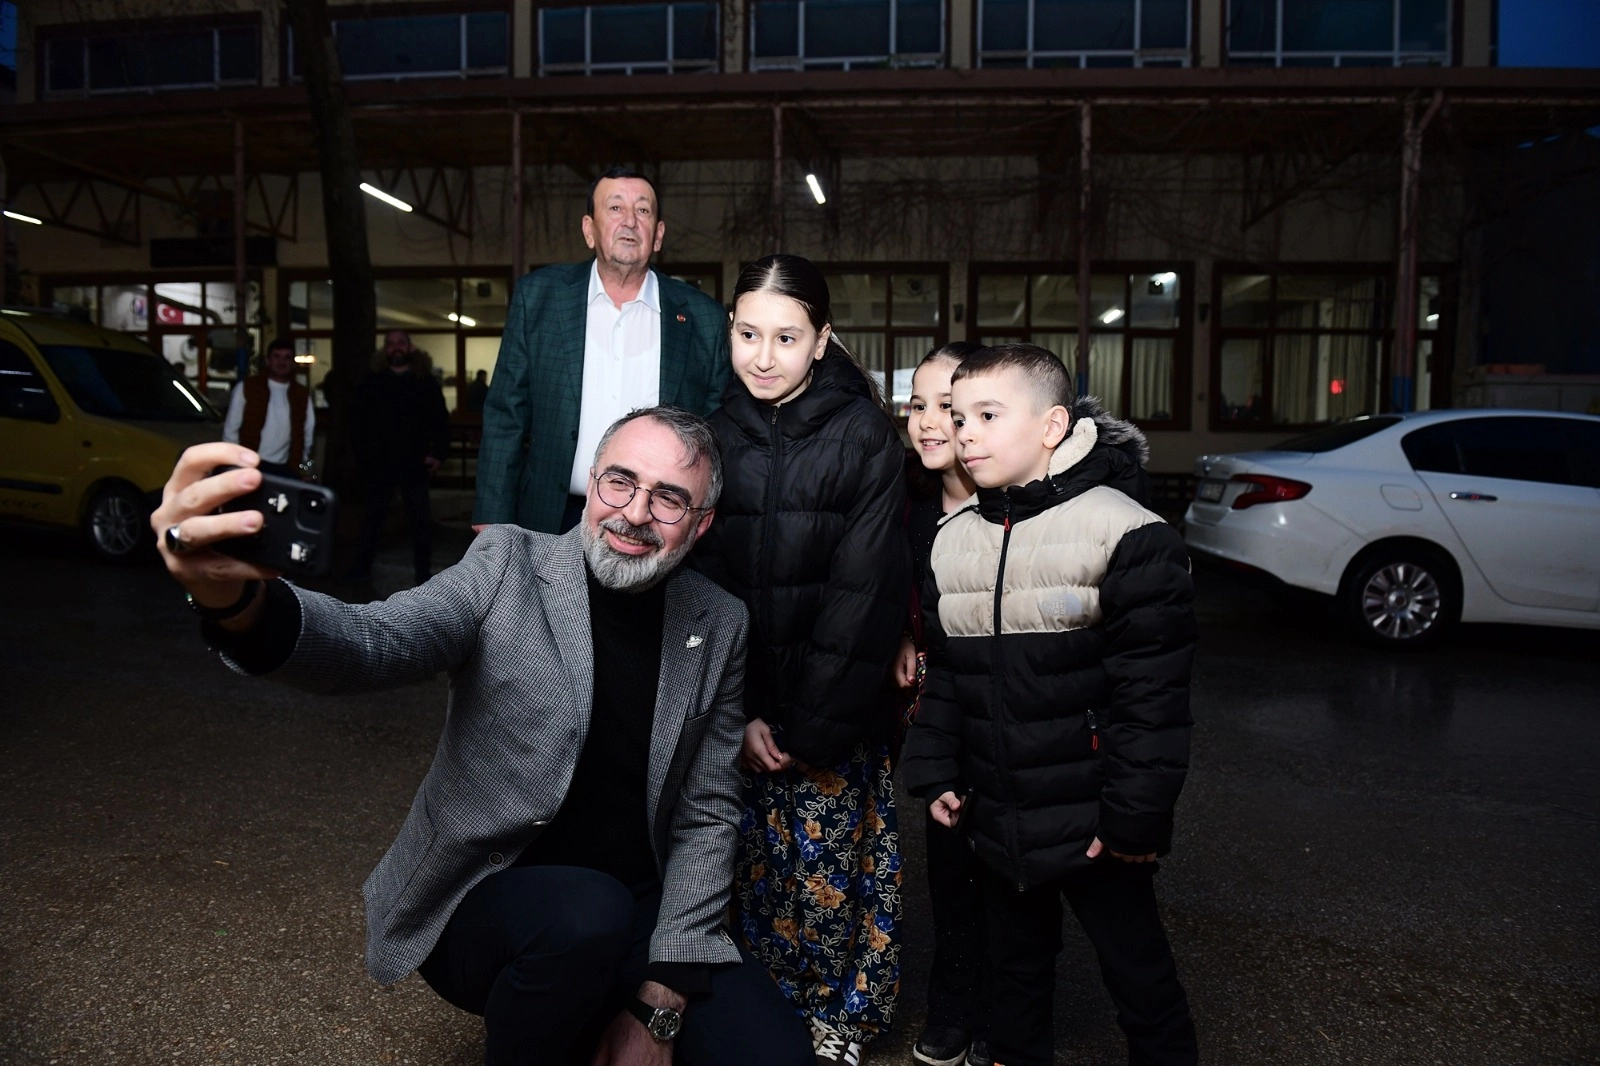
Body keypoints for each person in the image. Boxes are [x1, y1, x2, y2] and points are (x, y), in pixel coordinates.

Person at [148, 407, 814, 1066]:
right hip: (489, 898)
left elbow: (707, 812)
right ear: (591, 483)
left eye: (669, 499)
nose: (635, 512)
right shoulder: (508, 564)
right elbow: (376, 641)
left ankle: (589, 1008)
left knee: (775, 1056)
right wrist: (240, 607)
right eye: (620, 482)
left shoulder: (717, 622)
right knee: (587, 917)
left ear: (700, 525)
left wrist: (658, 1004)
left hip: (637, 906)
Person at [901, 344, 1198, 1066]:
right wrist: (938, 772)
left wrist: (1133, 819)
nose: (964, 433)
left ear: (1052, 426)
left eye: (987, 416)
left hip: (1094, 818)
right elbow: (948, 678)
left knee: (1139, 979)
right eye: (957, 417)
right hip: (998, 813)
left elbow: (1152, 698)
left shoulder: (1127, 533)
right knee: (1016, 980)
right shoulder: (952, 543)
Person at [691, 254, 910, 1066]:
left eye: (786, 337)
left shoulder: (864, 436)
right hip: (744, 714)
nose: (763, 356)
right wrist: (740, 712)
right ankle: (764, 1022)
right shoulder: (712, 434)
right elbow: (702, 585)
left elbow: (865, 596)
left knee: (831, 882)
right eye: (748, 334)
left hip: (832, 714)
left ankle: (840, 1021)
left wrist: (807, 732)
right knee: (748, 877)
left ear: (821, 341)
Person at [473, 167, 730, 534]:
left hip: (654, 522)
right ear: (589, 229)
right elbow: (505, 414)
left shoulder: (703, 318)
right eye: (615, 208)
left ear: (658, 235)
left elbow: (714, 433)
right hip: (550, 515)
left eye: (643, 210)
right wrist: (492, 513)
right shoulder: (540, 297)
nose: (630, 221)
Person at [892, 342, 991, 1066]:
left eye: (948, 408)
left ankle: (1009, 1010)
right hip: (940, 710)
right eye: (917, 404)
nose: (928, 422)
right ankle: (953, 1002)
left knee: (1012, 867)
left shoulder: (1017, 497)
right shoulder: (908, 500)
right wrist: (904, 631)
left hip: (1012, 709)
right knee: (950, 861)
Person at [344, 330, 452, 586]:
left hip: (415, 463)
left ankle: (423, 575)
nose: (396, 348)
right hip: (379, 464)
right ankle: (360, 570)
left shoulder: (425, 382)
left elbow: (440, 421)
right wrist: (363, 458)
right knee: (372, 519)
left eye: (401, 343)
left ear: (410, 347)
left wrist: (439, 454)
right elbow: (356, 423)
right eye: (390, 344)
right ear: (385, 349)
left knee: (420, 522)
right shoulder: (371, 382)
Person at [222, 337, 314, 477]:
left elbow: (308, 430)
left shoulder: (301, 394)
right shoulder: (247, 387)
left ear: (292, 362)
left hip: (287, 468)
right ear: (268, 360)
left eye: (287, 357)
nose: (281, 362)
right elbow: (231, 429)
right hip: (251, 464)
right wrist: (236, 463)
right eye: (277, 356)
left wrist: (302, 461)